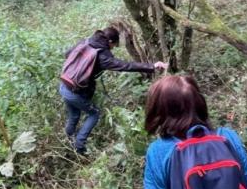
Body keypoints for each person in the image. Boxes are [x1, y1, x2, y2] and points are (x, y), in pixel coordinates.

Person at [59, 27, 167, 155]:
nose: (112, 48)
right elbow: (125, 66)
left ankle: (68, 144)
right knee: (94, 114)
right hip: (75, 93)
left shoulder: (86, 41)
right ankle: (79, 146)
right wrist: (151, 66)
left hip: (64, 85)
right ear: (109, 41)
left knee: (74, 115)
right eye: (114, 45)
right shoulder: (102, 56)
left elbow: (67, 54)